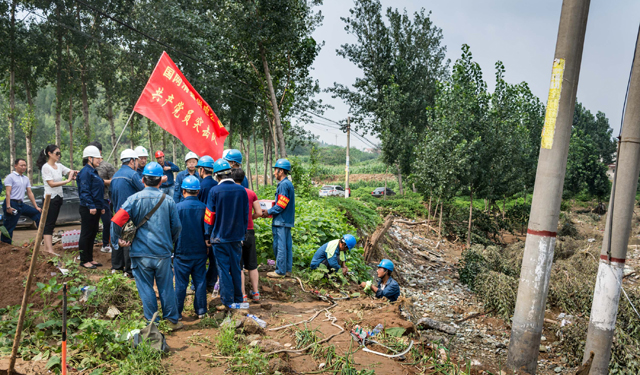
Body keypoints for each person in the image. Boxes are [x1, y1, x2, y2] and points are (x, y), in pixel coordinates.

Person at [111, 162, 183, 331]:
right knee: (166, 286)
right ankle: (172, 321)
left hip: (140, 253)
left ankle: (152, 323)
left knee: (145, 287)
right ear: (160, 181)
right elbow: (177, 227)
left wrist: (117, 242)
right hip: (162, 253)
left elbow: (116, 220)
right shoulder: (169, 201)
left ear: (143, 180)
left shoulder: (133, 200)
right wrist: (169, 242)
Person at [204, 159, 248, 310]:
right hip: (236, 237)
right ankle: (238, 299)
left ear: (217, 176)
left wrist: (207, 235)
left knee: (223, 269)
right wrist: (243, 234)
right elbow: (245, 214)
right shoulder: (241, 190)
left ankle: (228, 301)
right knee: (236, 267)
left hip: (219, 237)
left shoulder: (214, 191)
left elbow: (209, 215)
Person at [174, 176, 208, 319]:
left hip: (182, 251)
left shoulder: (177, 208)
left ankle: (177, 313)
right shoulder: (204, 208)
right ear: (198, 191)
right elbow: (207, 230)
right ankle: (201, 310)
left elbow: (173, 229)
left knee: (181, 283)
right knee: (200, 281)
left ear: (183, 192)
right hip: (200, 251)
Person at [109, 149, 145, 277]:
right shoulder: (133, 174)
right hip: (129, 212)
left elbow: (111, 195)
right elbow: (144, 190)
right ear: (131, 161)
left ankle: (116, 267)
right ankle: (128, 270)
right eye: (136, 160)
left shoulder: (116, 175)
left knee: (117, 238)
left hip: (118, 211)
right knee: (128, 239)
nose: (137, 163)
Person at [37, 145, 77, 255]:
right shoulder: (46, 167)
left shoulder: (58, 166)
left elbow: (70, 171)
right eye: (57, 153)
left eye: (59, 153)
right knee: (49, 223)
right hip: (50, 198)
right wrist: (67, 181)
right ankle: (48, 249)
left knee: (53, 223)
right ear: (49, 154)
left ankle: (48, 248)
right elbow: (51, 183)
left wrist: (75, 173)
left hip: (59, 197)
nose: (59, 156)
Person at [231, 168, 262, 302]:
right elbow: (259, 212)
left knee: (239, 265)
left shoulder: (231, 193)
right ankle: (255, 293)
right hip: (249, 230)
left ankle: (243, 294)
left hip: (236, 232)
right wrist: (250, 217)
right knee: (252, 265)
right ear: (243, 179)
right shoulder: (251, 193)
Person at [263, 159, 295, 278]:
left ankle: (280, 271)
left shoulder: (283, 185)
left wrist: (268, 212)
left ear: (280, 171)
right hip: (286, 220)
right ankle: (287, 269)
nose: (274, 173)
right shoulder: (288, 184)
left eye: (275, 170)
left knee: (280, 246)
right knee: (286, 246)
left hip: (280, 221)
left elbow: (281, 205)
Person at [76, 145, 107, 269]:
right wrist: (91, 205)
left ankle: (90, 258)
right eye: (97, 158)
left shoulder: (94, 172)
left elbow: (98, 191)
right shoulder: (85, 172)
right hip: (88, 208)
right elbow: (84, 191)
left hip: (96, 207)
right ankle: (84, 260)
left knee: (93, 233)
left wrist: (101, 206)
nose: (100, 160)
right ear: (89, 158)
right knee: (86, 233)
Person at [2, 159, 42, 244]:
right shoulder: (10, 177)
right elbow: (8, 193)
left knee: (37, 213)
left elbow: (30, 193)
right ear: (15, 166)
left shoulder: (25, 178)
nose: (23, 167)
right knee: (9, 225)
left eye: (25, 165)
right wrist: (8, 207)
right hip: (11, 203)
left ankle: (42, 237)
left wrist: (36, 207)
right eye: (21, 165)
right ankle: (5, 245)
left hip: (21, 204)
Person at [88, 141, 116, 254]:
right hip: (91, 199)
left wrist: (101, 182)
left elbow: (114, 181)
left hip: (104, 198)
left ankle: (106, 244)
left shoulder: (107, 166)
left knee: (107, 222)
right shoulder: (88, 167)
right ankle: (88, 247)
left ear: (99, 151)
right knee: (90, 224)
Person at [195, 155, 218, 291]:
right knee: (214, 257)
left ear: (202, 169)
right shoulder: (216, 185)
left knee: (202, 255)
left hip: (203, 223)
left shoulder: (200, 186)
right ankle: (211, 281)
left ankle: (199, 282)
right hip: (215, 225)